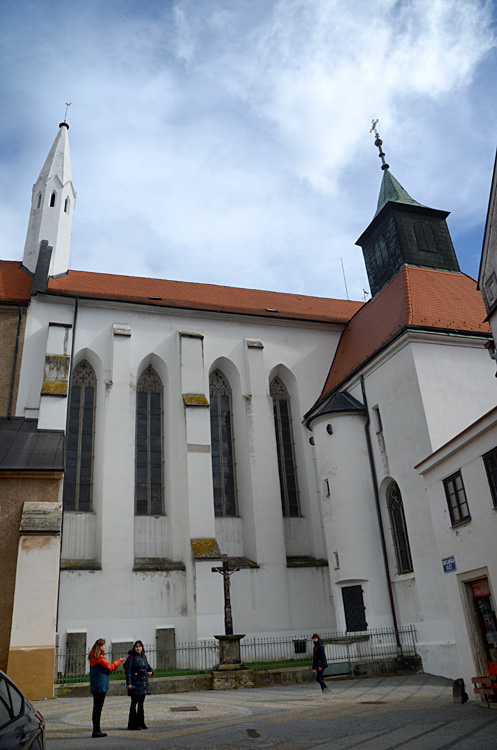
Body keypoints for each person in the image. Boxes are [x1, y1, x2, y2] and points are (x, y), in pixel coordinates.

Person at [88, 638, 123, 738]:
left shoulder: (93, 656)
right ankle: (96, 730)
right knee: (98, 708)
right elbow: (110, 667)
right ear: (100, 647)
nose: (105, 647)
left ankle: (96, 729)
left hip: (96, 684)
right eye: (103, 645)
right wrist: (119, 660)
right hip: (100, 685)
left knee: (96, 707)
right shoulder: (100, 657)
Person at [124, 640, 154, 730]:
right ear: (134, 648)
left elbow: (148, 667)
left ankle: (141, 722)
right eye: (137, 647)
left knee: (141, 704)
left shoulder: (143, 656)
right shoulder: (131, 658)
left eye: (140, 646)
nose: (138, 648)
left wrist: (151, 672)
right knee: (134, 704)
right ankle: (132, 724)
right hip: (135, 683)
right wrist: (129, 683)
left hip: (143, 683)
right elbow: (128, 672)